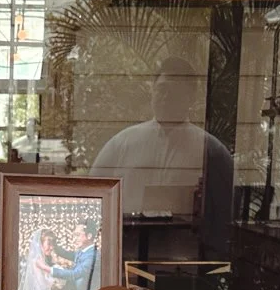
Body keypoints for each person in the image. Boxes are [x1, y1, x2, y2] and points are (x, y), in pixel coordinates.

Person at [91, 56, 234, 257]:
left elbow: (223, 215)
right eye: (162, 90)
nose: (166, 98)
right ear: (153, 91)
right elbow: (93, 200)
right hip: (127, 257)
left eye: (176, 93)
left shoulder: (211, 150)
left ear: (191, 98)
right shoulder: (122, 143)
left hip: (185, 260)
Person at [50, 220, 101, 290]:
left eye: (78, 235)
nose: (75, 239)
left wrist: (50, 270)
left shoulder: (94, 256)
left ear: (89, 236)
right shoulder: (82, 251)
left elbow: (75, 274)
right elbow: (67, 254)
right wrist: (54, 244)